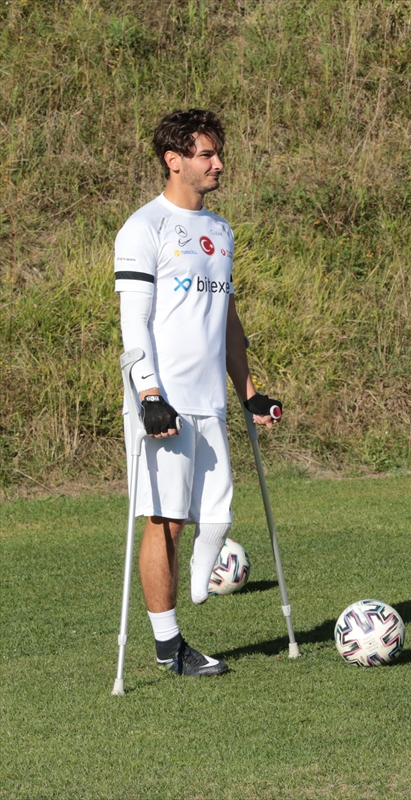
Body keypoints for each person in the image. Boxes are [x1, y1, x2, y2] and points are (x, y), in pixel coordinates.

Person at [115, 109, 282, 676]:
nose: (218, 163)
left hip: (210, 398)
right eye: (206, 154)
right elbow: (133, 325)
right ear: (174, 160)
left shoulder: (219, 230)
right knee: (164, 519)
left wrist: (250, 392)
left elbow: (227, 320)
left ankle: (195, 597)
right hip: (162, 400)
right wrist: (148, 394)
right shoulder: (144, 228)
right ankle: (169, 647)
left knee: (216, 517)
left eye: (217, 153)